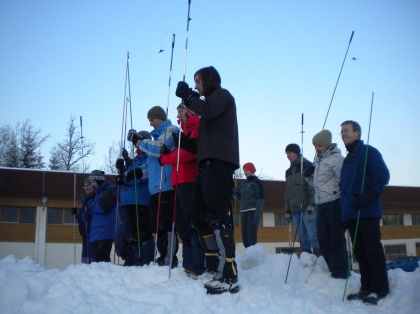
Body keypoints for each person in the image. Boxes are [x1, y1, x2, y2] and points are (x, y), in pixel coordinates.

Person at [175, 66, 240, 294]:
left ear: (209, 80)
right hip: (205, 167)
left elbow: (208, 110)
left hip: (220, 165)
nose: (196, 86)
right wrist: (180, 139)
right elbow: (200, 143)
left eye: (198, 81)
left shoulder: (221, 96)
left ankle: (229, 271)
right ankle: (212, 265)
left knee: (218, 216)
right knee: (199, 216)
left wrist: (188, 96)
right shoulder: (207, 110)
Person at [339, 120, 390, 305]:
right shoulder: (347, 159)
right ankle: (366, 287)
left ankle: (380, 289)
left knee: (372, 251)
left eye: (346, 130)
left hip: (367, 212)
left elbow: (382, 175)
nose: (343, 134)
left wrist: (367, 196)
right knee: (360, 253)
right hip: (352, 214)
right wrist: (343, 213)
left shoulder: (368, 152)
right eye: (341, 131)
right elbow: (344, 189)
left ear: (357, 133)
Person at [127, 106, 179, 268]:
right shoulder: (153, 139)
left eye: (152, 119)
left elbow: (158, 149)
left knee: (167, 223)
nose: (150, 124)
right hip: (155, 189)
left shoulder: (171, 130)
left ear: (160, 118)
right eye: (149, 120)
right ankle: (162, 256)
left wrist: (138, 141)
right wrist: (136, 173)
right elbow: (152, 167)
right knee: (158, 225)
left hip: (167, 187)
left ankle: (169, 257)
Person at [159, 104, 205, 277]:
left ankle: (196, 264)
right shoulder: (183, 130)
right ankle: (188, 263)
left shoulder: (196, 127)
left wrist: (165, 158)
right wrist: (169, 152)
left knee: (191, 223)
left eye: (181, 110)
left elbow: (188, 154)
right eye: (178, 111)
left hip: (190, 181)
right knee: (182, 224)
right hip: (179, 182)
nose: (179, 113)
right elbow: (180, 153)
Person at [305, 130, 348, 278]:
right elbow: (316, 184)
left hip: (334, 203)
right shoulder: (318, 160)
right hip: (321, 204)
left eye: (320, 145)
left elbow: (344, 179)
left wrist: (343, 201)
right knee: (322, 238)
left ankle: (341, 270)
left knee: (336, 238)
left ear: (327, 144)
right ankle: (332, 267)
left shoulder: (336, 159)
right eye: (315, 145)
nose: (317, 148)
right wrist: (307, 176)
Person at [115, 130, 155, 266]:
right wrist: (124, 165)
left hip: (141, 199)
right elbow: (127, 174)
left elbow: (141, 175)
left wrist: (126, 178)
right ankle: (137, 259)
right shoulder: (136, 159)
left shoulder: (148, 157)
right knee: (133, 233)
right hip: (129, 200)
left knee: (143, 231)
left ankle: (147, 259)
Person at [284, 143, 320, 256]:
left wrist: (312, 204)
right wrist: (287, 210)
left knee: (313, 236)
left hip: (307, 208)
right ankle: (307, 261)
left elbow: (312, 187)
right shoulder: (288, 171)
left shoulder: (307, 166)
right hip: (295, 210)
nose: (288, 155)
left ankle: (320, 259)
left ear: (296, 153)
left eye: (290, 153)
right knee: (302, 238)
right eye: (286, 153)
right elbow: (288, 192)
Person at [83, 170, 117, 263]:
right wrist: (88, 215)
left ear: (99, 180)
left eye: (93, 182)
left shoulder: (108, 190)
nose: (92, 185)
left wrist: (90, 203)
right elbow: (96, 211)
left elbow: (102, 208)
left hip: (104, 231)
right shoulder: (97, 194)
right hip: (96, 232)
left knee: (103, 261)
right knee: (97, 262)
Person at [234, 162, 265, 248]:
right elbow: (240, 200)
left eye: (247, 170)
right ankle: (248, 254)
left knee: (251, 237)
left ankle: (253, 255)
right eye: (244, 170)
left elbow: (261, 198)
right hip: (243, 211)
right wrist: (236, 194)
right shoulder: (243, 183)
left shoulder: (257, 182)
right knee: (245, 237)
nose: (245, 172)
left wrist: (257, 213)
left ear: (252, 170)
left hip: (252, 211)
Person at [75, 177, 95, 264]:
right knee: (86, 258)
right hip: (85, 235)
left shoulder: (95, 198)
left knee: (92, 257)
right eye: (85, 186)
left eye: (88, 185)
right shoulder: (86, 201)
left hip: (92, 234)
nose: (86, 188)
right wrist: (78, 215)